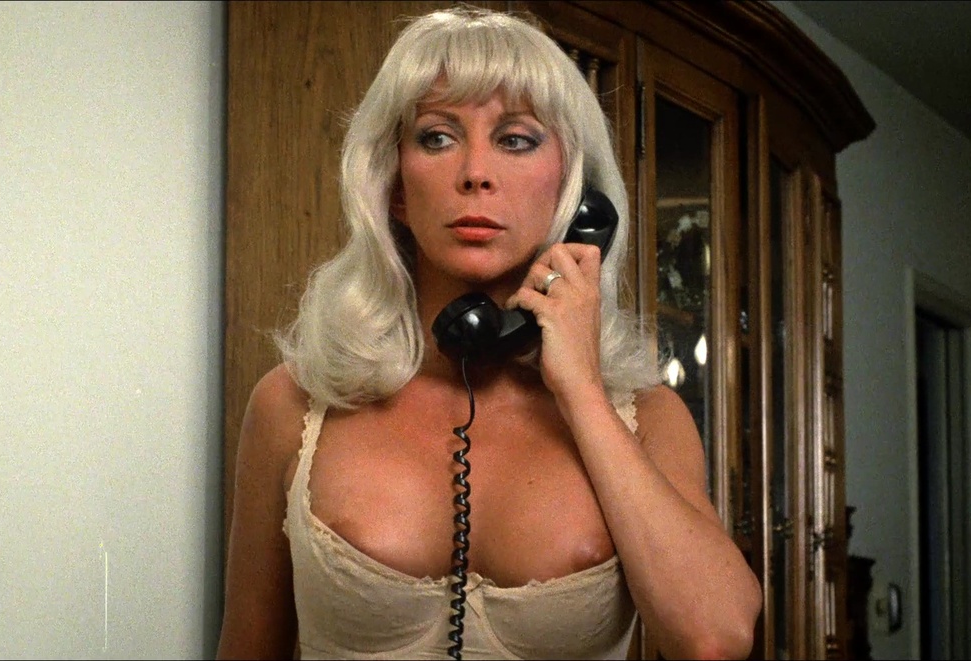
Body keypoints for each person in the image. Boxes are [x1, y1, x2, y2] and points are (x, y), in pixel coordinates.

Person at [217, 6, 762, 660]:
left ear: (574, 195)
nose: (476, 171)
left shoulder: (650, 419)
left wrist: (581, 390)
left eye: (516, 139)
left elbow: (714, 638)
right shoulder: (291, 405)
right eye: (437, 137)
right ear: (394, 187)